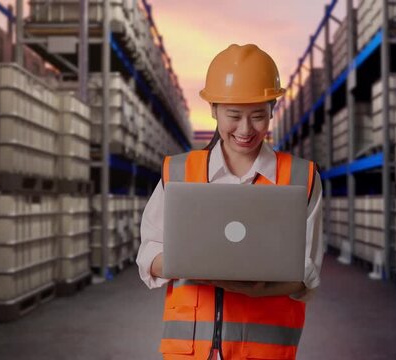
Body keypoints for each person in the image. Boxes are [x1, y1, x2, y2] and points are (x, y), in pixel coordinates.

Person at [136, 44, 324, 360]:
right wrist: (190, 263)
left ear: (273, 109)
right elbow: (149, 252)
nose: (246, 130)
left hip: (264, 353)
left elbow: (307, 270)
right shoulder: (180, 171)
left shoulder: (300, 177)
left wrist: (255, 286)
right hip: (189, 352)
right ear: (213, 109)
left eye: (259, 116)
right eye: (234, 116)